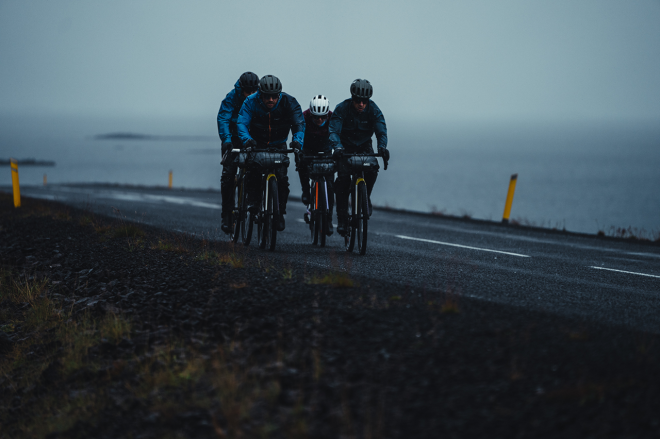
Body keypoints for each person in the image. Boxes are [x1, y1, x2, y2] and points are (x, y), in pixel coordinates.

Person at [237, 75, 305, 231]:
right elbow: (241, 122)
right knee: (253, 172)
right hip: (256, 144)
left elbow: (299, 124)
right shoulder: (250, 102)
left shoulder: (290, 102)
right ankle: (253, 203)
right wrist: (247, 140)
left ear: (279, 94)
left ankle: (280, 213)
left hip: (279, 144)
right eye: (267, 96)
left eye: (274, 96)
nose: (270, 100)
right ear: (260, 94)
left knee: (282, 180)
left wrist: (297, 142)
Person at [329, 79, 389, 236]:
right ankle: (342, 220)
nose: (361, 104)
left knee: (372, 170)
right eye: (357, 101)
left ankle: (365, 197)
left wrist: (382, 147)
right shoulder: (342, 108)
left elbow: (381, 131)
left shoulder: (374, 109)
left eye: (364, 101)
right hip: (344, 148)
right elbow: (333, 131)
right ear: (352, 98)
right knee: (342, 181)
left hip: (364, 147)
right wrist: (337, 147)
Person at [217, 71, 259, 234]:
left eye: (253, 90)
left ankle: (254, 203)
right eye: (247, 91)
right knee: (228, 175)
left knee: (256, 169)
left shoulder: (260, 97)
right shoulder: (232, 97)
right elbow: (223, 118)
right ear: (241, 88)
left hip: (251, 138)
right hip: (232, 139)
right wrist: (226, 140)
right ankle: (227, 214)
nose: (250, 94)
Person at [297, 95, 334, 235]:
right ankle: (306, 191)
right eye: (316, 117)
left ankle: (328, 219)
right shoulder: (304, 117)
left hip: (326, 150)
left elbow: (338, 134)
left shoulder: (333, 117)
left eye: (323, 117)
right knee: (301, 164)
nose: (319, 120)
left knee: (330, 185)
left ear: (327, 114)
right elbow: (299, 132)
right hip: (308, 149)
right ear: (311, 113)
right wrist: (299, 149)